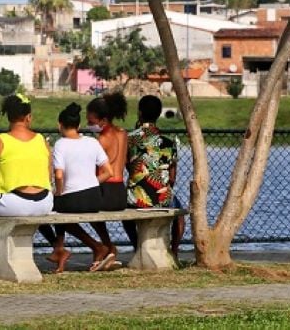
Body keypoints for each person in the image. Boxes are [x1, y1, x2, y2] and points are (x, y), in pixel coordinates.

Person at [38, 103, 116, 273]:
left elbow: (58, 175)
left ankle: (90, 247)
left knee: (48, 209)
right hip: (95, 198)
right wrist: (92, 182)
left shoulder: (60, 144)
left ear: (59, 124)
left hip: (73, 199)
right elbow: (109, 172)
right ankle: (63, 250)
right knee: (61, 211)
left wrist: (58, 192)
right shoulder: (92, 142)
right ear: (79, 126)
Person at [122, 95, 185, 259]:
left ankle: (137, 246)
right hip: (162, 197)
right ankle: (175, 251)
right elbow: (172, 177)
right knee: (180, 217)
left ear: (140, 113)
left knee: (124, 211)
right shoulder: (170, 142)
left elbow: (128, 167)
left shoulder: (129, 139)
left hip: (135, 198)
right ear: (158, 115)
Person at [84, 91, 128, 261]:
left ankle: (106, 246)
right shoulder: (123, 134)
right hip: (120, 192)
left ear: (103, 120)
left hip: (106, 191)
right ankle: (108, 247)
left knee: (83, 205)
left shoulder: (101, 140)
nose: (88, 124)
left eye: (90, 121)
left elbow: (95, 168)